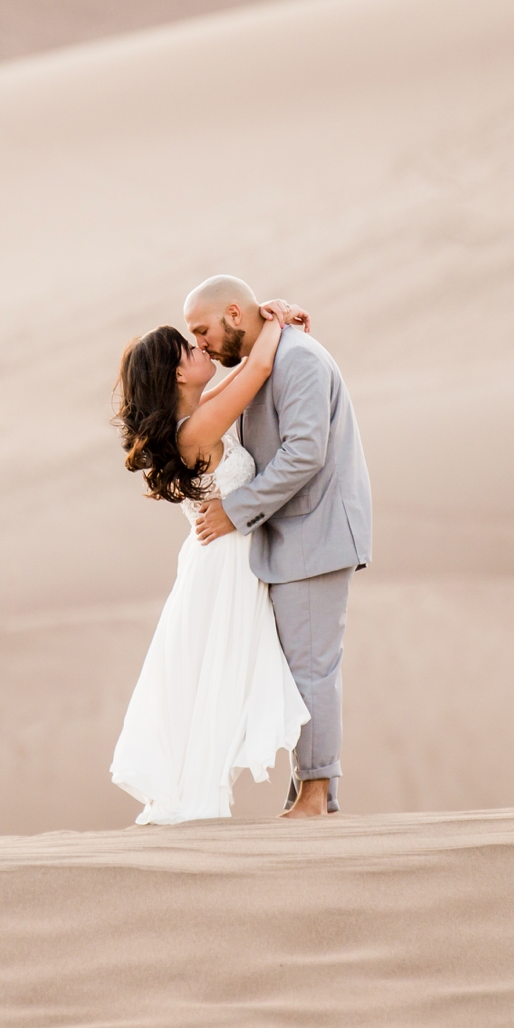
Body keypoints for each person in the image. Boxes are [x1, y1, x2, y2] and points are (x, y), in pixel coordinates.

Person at [108, 298, 312, 824]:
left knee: (219, 680)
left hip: (223, 561)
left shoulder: (198, 415)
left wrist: (272, 324)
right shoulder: (195, 430)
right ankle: (197, 812)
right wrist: (276, 319)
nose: (201, 346)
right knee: (219, 682)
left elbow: (246, 370)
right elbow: (260, 367)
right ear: (178, 372)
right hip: (224, 570)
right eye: (190, 346)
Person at [183, 275, 371, 818]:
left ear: (235, 315)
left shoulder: (301, 360)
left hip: (316, 535)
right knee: (299, 669)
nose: (201, 345)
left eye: (203, 330)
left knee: (311, 669)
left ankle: (313, 798)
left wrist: (236, 512)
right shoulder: (264, 359)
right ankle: (312, 794)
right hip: (290, 539)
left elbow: (304, 453)